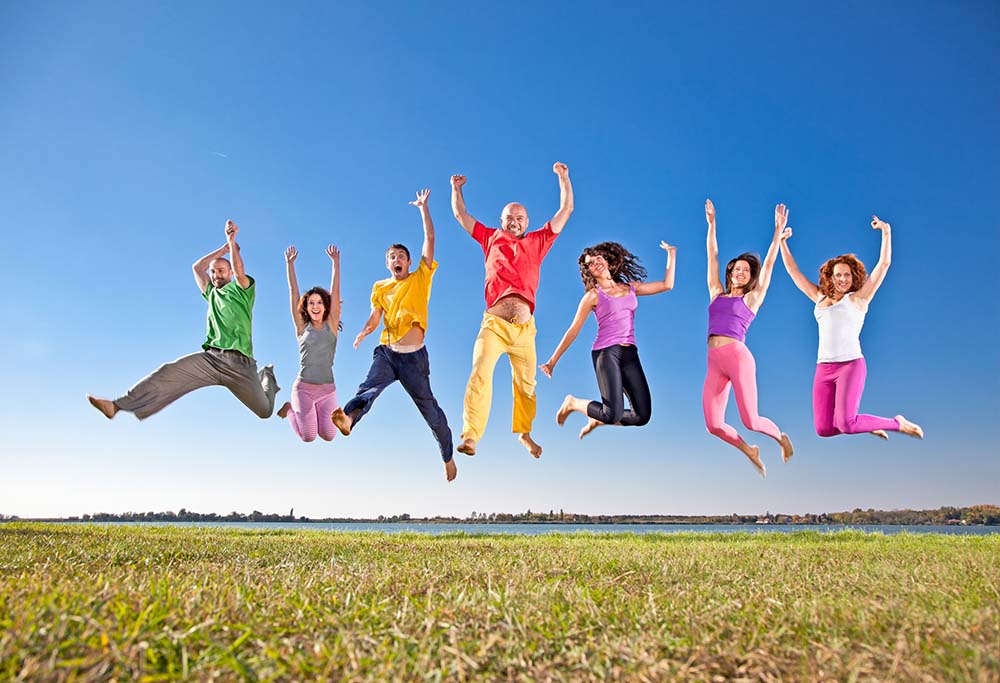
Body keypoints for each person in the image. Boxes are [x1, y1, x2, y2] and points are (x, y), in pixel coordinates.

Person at [87, 220, 279, 420]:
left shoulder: (242, 291)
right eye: (213, 271)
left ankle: (267, 377)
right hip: (212, 359)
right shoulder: (211, 293)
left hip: (241, 364)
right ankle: (117, 406)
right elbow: (197, 268)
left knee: (264, 411)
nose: (215, 275)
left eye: (221, 270)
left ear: (229, 273)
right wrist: (221, 250)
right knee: (168, 372)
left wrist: (231, 243)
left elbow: (240, 272)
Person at [330, 190, 456, 482]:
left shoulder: (420, 277)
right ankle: (348, 419)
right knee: (367, 389)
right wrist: (364, 331)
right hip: (386, 351)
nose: (396, 259)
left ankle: (447, 456)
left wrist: (424, 209)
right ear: (387, 263)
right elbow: (376, 315)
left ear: (409, 262)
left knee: (431, 411)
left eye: (400, 256)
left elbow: (430, 241)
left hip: (414, 359)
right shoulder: (380, 287)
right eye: (391, 257)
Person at [450, 162, 574, 458]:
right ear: (501, 220)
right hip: (494, 325)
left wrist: (564, 178)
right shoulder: (490, 237)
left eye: (519, 217)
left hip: (525, 332)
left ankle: (525, 434)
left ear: (527, 222)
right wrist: (456, 189)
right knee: (480, 372)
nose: (514, 221)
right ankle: (470, 436)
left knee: (527, 386)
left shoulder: (538, 241)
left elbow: (566, 210)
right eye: (509, 217)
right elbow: (461, 215)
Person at [779, 215, 923, 440]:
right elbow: (793, 272)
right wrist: (782, 241)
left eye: (846, 275)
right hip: (823, 368)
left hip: (850, 365)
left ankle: (896, 423)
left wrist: (886, 231)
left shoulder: (859, 299)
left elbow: (883, 265)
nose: (842, 279)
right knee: (824, 429)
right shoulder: (819, 297)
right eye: (838, 275)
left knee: (846, 424)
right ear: (831, 277)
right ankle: (861, 423)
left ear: (853, 276)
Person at [540, 241, 677, 439]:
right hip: (606, 352)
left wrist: (671, 254)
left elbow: (667, 285)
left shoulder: (630, 287)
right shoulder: (593, 296)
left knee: (642, 416)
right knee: (612, 414)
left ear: (606, 260)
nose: (596, 263)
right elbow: (573, 330)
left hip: (630, 353)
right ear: (589, 272)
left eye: (598, 259)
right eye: (590, 264)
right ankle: (573, 403)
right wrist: (552, 362)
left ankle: (598, 418)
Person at [703, 199, 793, 477]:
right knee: (713, 424)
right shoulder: (716, 292)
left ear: (750, 276)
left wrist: (777, 233)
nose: (741, 272)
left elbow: (768, 266)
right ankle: (749, 450)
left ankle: (780, 437)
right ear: (730, 272)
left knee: (751, 419)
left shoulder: (752, 299)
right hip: (714, 361)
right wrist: (712, 224)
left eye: (746, 270)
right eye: (737, 269)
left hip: (738, 358)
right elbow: (713, 256)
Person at [275, 244, 342, 442]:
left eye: (319, 302)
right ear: (306, 306)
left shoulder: (331, 324)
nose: (315, 306)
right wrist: (290, 265)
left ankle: (323, 414)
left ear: (325, 306)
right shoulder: (302, 327)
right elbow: (293, 292)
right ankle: (290, 410)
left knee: (329, 435)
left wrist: (336, 264)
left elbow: (335, 292)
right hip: (304, 389)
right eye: (311, 303)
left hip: (328, 389)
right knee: (308, 436)